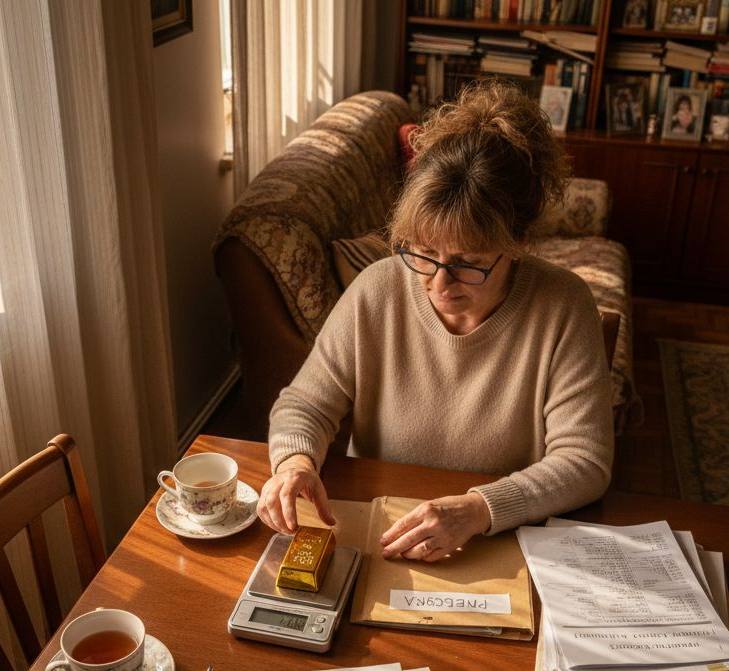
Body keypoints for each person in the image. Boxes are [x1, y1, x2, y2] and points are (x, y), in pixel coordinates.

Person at [257, 80, 615, 562]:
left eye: (469, 261)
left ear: (519, 242)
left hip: (496, 542)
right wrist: (295, 460)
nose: (439, 284)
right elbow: (304, 404)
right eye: (423, 252)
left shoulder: (563, 305)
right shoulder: (378, 288)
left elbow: (585, 462)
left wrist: (480, 508)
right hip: (380, 534)